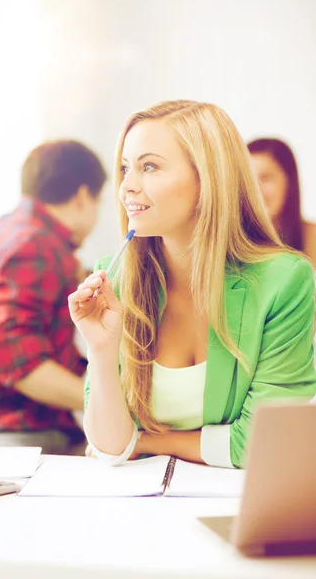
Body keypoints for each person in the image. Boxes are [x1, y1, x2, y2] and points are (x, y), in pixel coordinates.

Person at [68, 100, 316, 469]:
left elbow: (265, 443)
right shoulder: (114, 279)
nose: (126, 188)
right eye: (125, 169)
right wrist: (102, 352)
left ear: (209, 177)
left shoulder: (284, 280)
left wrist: (153, 441)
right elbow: (109, 448)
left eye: (149, 166)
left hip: (233, 506)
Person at [0, 140, 106, 453]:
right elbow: (21, 365)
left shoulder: (9, 231)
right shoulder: (36, 245)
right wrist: (111, 403)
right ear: (83, 196)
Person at [248, 138, 316, 265]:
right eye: (249, 180)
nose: (255, 189)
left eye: (266, 177)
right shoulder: (228, 243)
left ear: (289, 183)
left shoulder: (312, 237)